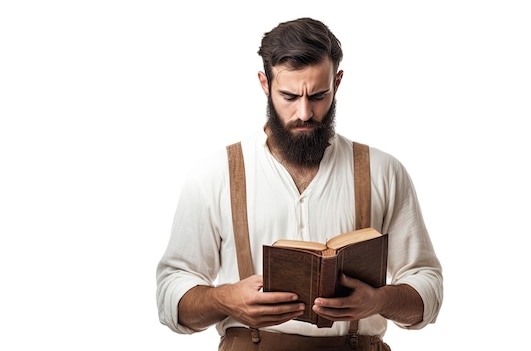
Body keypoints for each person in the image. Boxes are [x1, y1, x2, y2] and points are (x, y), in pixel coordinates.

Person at [156, 17, 443, 351]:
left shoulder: (384, 171)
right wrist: (224, 299)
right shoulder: (214, 174)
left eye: (319, 95)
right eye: (289, 96)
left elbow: (428, 287)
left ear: (337, 82)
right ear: (265, 83)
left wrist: (378, 301)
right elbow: (169, 293)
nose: (305, 112)